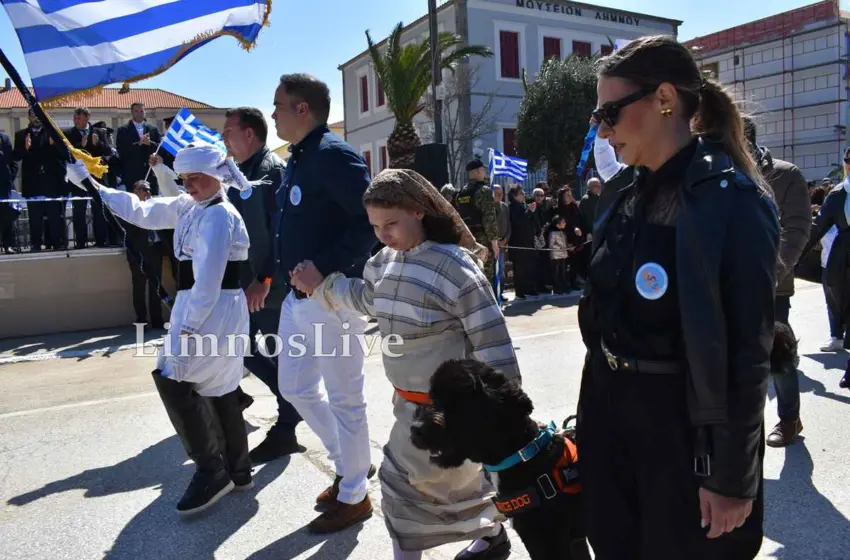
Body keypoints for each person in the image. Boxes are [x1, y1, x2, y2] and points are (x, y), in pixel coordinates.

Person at [577, 35, 778, 559]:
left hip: (682, 433)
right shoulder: (620, 195)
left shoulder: (730, 201)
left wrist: (733, 477)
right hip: (610, 418)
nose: (601, 127)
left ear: (664, 98)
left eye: (609, 112)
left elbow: (746, 350)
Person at [292, 168, 519, 560]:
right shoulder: (382, 264)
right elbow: (366, 298)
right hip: (408, 413)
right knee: (401, 492)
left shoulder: (454, 266)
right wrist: (322, 286)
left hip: (453, 413)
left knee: (465, 485)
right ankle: (469, 542)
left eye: (390, 223)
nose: (382, 234)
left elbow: (491, 339)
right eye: (375, 225)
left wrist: (506, 409)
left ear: (418, 211)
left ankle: (491, 537)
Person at [66, 144, 257, 515]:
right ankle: (238, 470)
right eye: (184, 179)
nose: (188, 185)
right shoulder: (190, 206)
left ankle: (211, 469)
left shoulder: (219, 215)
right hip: (205, 305)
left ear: (216, 176)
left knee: (175, 377)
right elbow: (142, 211)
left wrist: (187, 325)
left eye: (195, 178)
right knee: (219, 385)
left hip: (212, 307)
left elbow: (209, 280)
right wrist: (92, 185)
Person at [257, 73, 377, 533]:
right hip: (297, 299)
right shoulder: (298, 161)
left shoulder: (333, 156)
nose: (273, 113)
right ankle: (351, 465)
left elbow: (369, 221)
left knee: (347, 399)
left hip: (331, 298)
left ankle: (354, 495)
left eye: (278, 104)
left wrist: (324, 268)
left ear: (302, 108)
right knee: (295, 387)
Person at [220, 106, 304, 462]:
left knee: (276, 355)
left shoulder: (272, 174)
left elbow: (283, 234)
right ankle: (290, 403)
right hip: (246, 285)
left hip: (269, 288)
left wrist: (265, 278)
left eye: (228, 133)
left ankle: (287, 423)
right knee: (241, 348)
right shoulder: (241, 174)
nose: (224, 139)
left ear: (249, 134)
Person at [742, 116, 811, 448]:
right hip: (728, 285)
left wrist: (770, 273)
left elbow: (797, 230)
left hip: (771, 285)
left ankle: (789, 419)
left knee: (777, 355)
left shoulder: (785, 176)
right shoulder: (717, 176)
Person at [802, 146, 850, 390]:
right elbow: (818, 228)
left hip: (842, 254)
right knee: (843, 303)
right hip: (843, 257)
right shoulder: (839, 194)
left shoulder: (839, 193)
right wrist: (794, 254)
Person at [13, 111, 68, 252]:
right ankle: (36, 244)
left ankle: (57, 243)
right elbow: (16, 157)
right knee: (34, 217)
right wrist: (25, 148)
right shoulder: (21, 135)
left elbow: (64, 155)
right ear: (29, 117)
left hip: (51, 182)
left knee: (54, 215)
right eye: (33, 115)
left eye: (39, 115)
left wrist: (54, 145)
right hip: (32, 183)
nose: (36, 118)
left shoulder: (52, 132)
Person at [66, 107, 116, 248]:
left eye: (79, 118)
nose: (76, 121)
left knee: (98, 209)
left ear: (87, 118)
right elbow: (66, 155)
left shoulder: (99, 132)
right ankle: (80, 242)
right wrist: (79, 146)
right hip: (78, 178)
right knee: (79, 210)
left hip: (96, 177)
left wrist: (97, 144)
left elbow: (108, 152)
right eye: (74, 118)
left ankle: (100, 241)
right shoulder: (69, 134)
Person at [124, 180, 166, 330]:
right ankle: (141, 321)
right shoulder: (129, 210)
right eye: (144, 189)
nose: (148, 193)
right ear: (135, 192)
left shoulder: (154, 206)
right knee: (139, 288)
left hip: (155, 250)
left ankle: (157, 320)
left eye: (149, 190)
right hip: (138, 253)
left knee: (156, 287)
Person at [454, 160, 501, 290]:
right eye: (483, 170)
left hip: (467, 240)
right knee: (486, 275)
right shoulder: (484, 191)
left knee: (470, 274)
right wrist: (494, 242)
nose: (484, 173)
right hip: (482, 240)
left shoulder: (460, 193)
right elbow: (489, 218)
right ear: (478, 171)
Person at [116, 102, 162, 194]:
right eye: (136, 111)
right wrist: (138, 144)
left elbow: (160, 148)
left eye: (141, 111)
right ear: (132, 112)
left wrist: (150, 143)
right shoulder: (123, 130)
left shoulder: (153, 129)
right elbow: (121, 150)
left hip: (150, 172)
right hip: (131, 174)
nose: (139, 113)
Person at [507, 186, 537, 299]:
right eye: (521, 193)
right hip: (518, 242)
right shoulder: (513, 207)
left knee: (529, 267)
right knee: (520, 269)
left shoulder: (522, 205)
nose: (524, 194)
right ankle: (520, 291)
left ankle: (529, 288)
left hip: (528, 241)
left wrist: (531, 212)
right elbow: (519, 222)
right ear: (515, 195)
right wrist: (529, 212)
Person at [0, 130, 19, 253]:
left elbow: (12, 162)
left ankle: (8, 245)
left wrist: (9, 178)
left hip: (3, 185)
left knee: (7, 217)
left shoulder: (4, 138)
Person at [492, 184, 511, 302]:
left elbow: (509, 226)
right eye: (497, 194)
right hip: (492, 245)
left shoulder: (505, 207)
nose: (500, 196)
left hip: (502, 245)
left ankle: (501, 292)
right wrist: (494, 241)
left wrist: (505, 240)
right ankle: (493, 294)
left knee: (501, 270)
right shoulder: (488, 208)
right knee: (492, 271)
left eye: (502, 194)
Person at [548, 215, 569, 294]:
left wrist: (567, 246)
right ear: (557, 224)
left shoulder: (563, 232)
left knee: (562, 272)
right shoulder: (553, 233)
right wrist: (561, 248)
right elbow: (551, 245)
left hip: (563, 255)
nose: (565, 223)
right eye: (563, 222)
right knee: (556, 272)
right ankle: (557, 288)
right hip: (555, 255)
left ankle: (564, 286)